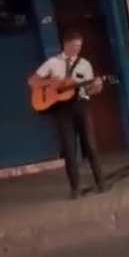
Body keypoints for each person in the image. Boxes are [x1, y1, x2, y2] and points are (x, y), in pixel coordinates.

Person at [28, 29, 106, 199]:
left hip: (81, 105)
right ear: (66, 44)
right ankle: (75, 188)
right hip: (62, 110)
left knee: (90, 145)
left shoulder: (85, 64)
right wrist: (50, 81)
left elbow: (90, 90)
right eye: (74, 46)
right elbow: (32, 81)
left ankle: (101, 182)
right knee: (69, 149)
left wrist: (97, 87)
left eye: (79, 46)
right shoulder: (52, 63)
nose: (77, 49)